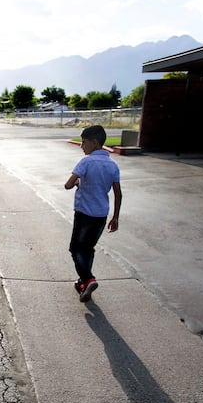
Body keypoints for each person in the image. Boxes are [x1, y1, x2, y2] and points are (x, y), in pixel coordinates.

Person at [64, 124, 122, 303]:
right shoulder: (112, 165)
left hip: (84, 214)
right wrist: (115, 217)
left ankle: (89, 279)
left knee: (75, 248)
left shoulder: (86, 162)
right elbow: (118, 193)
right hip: (101, 215)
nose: (82, 146)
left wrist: (76, 183)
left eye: (84, 142)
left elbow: (67, 184)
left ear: (95, 143)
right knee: (88, 248)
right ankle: (83, 283)